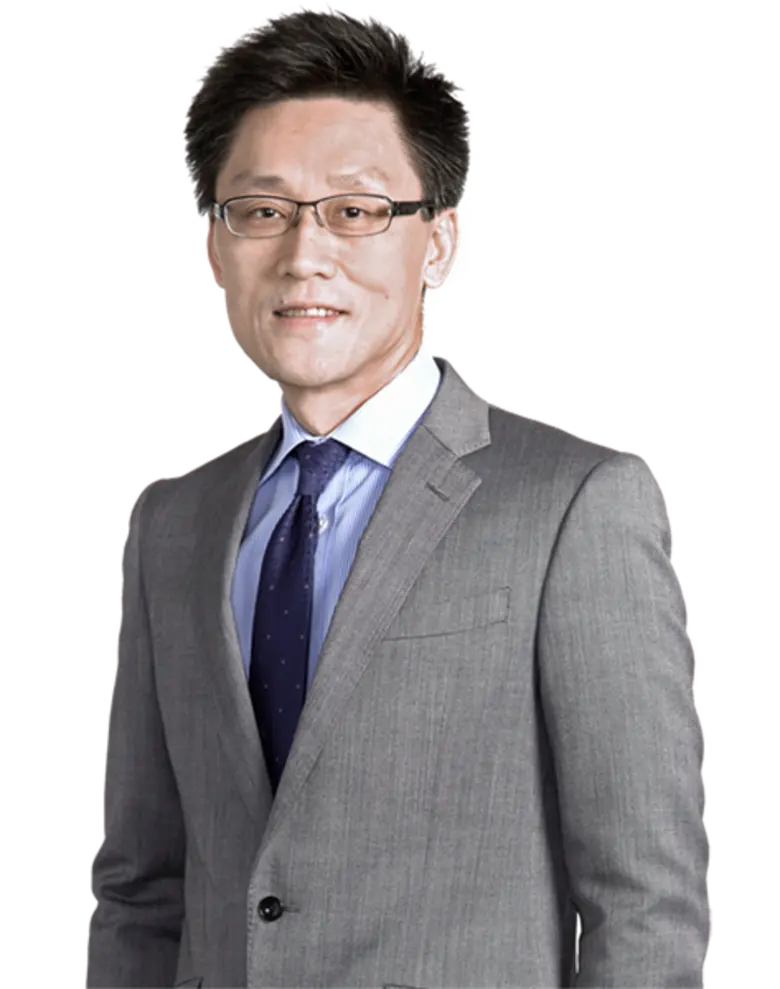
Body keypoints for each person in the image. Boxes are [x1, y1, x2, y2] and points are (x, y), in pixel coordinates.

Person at [87, 10, 710, 989]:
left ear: (441, 244)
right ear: (214, 245)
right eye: (262, 210)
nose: (304, 253)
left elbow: (646, 907)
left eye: (355, 210)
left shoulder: (575, 504)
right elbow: (141, 888)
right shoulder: (175, 523)